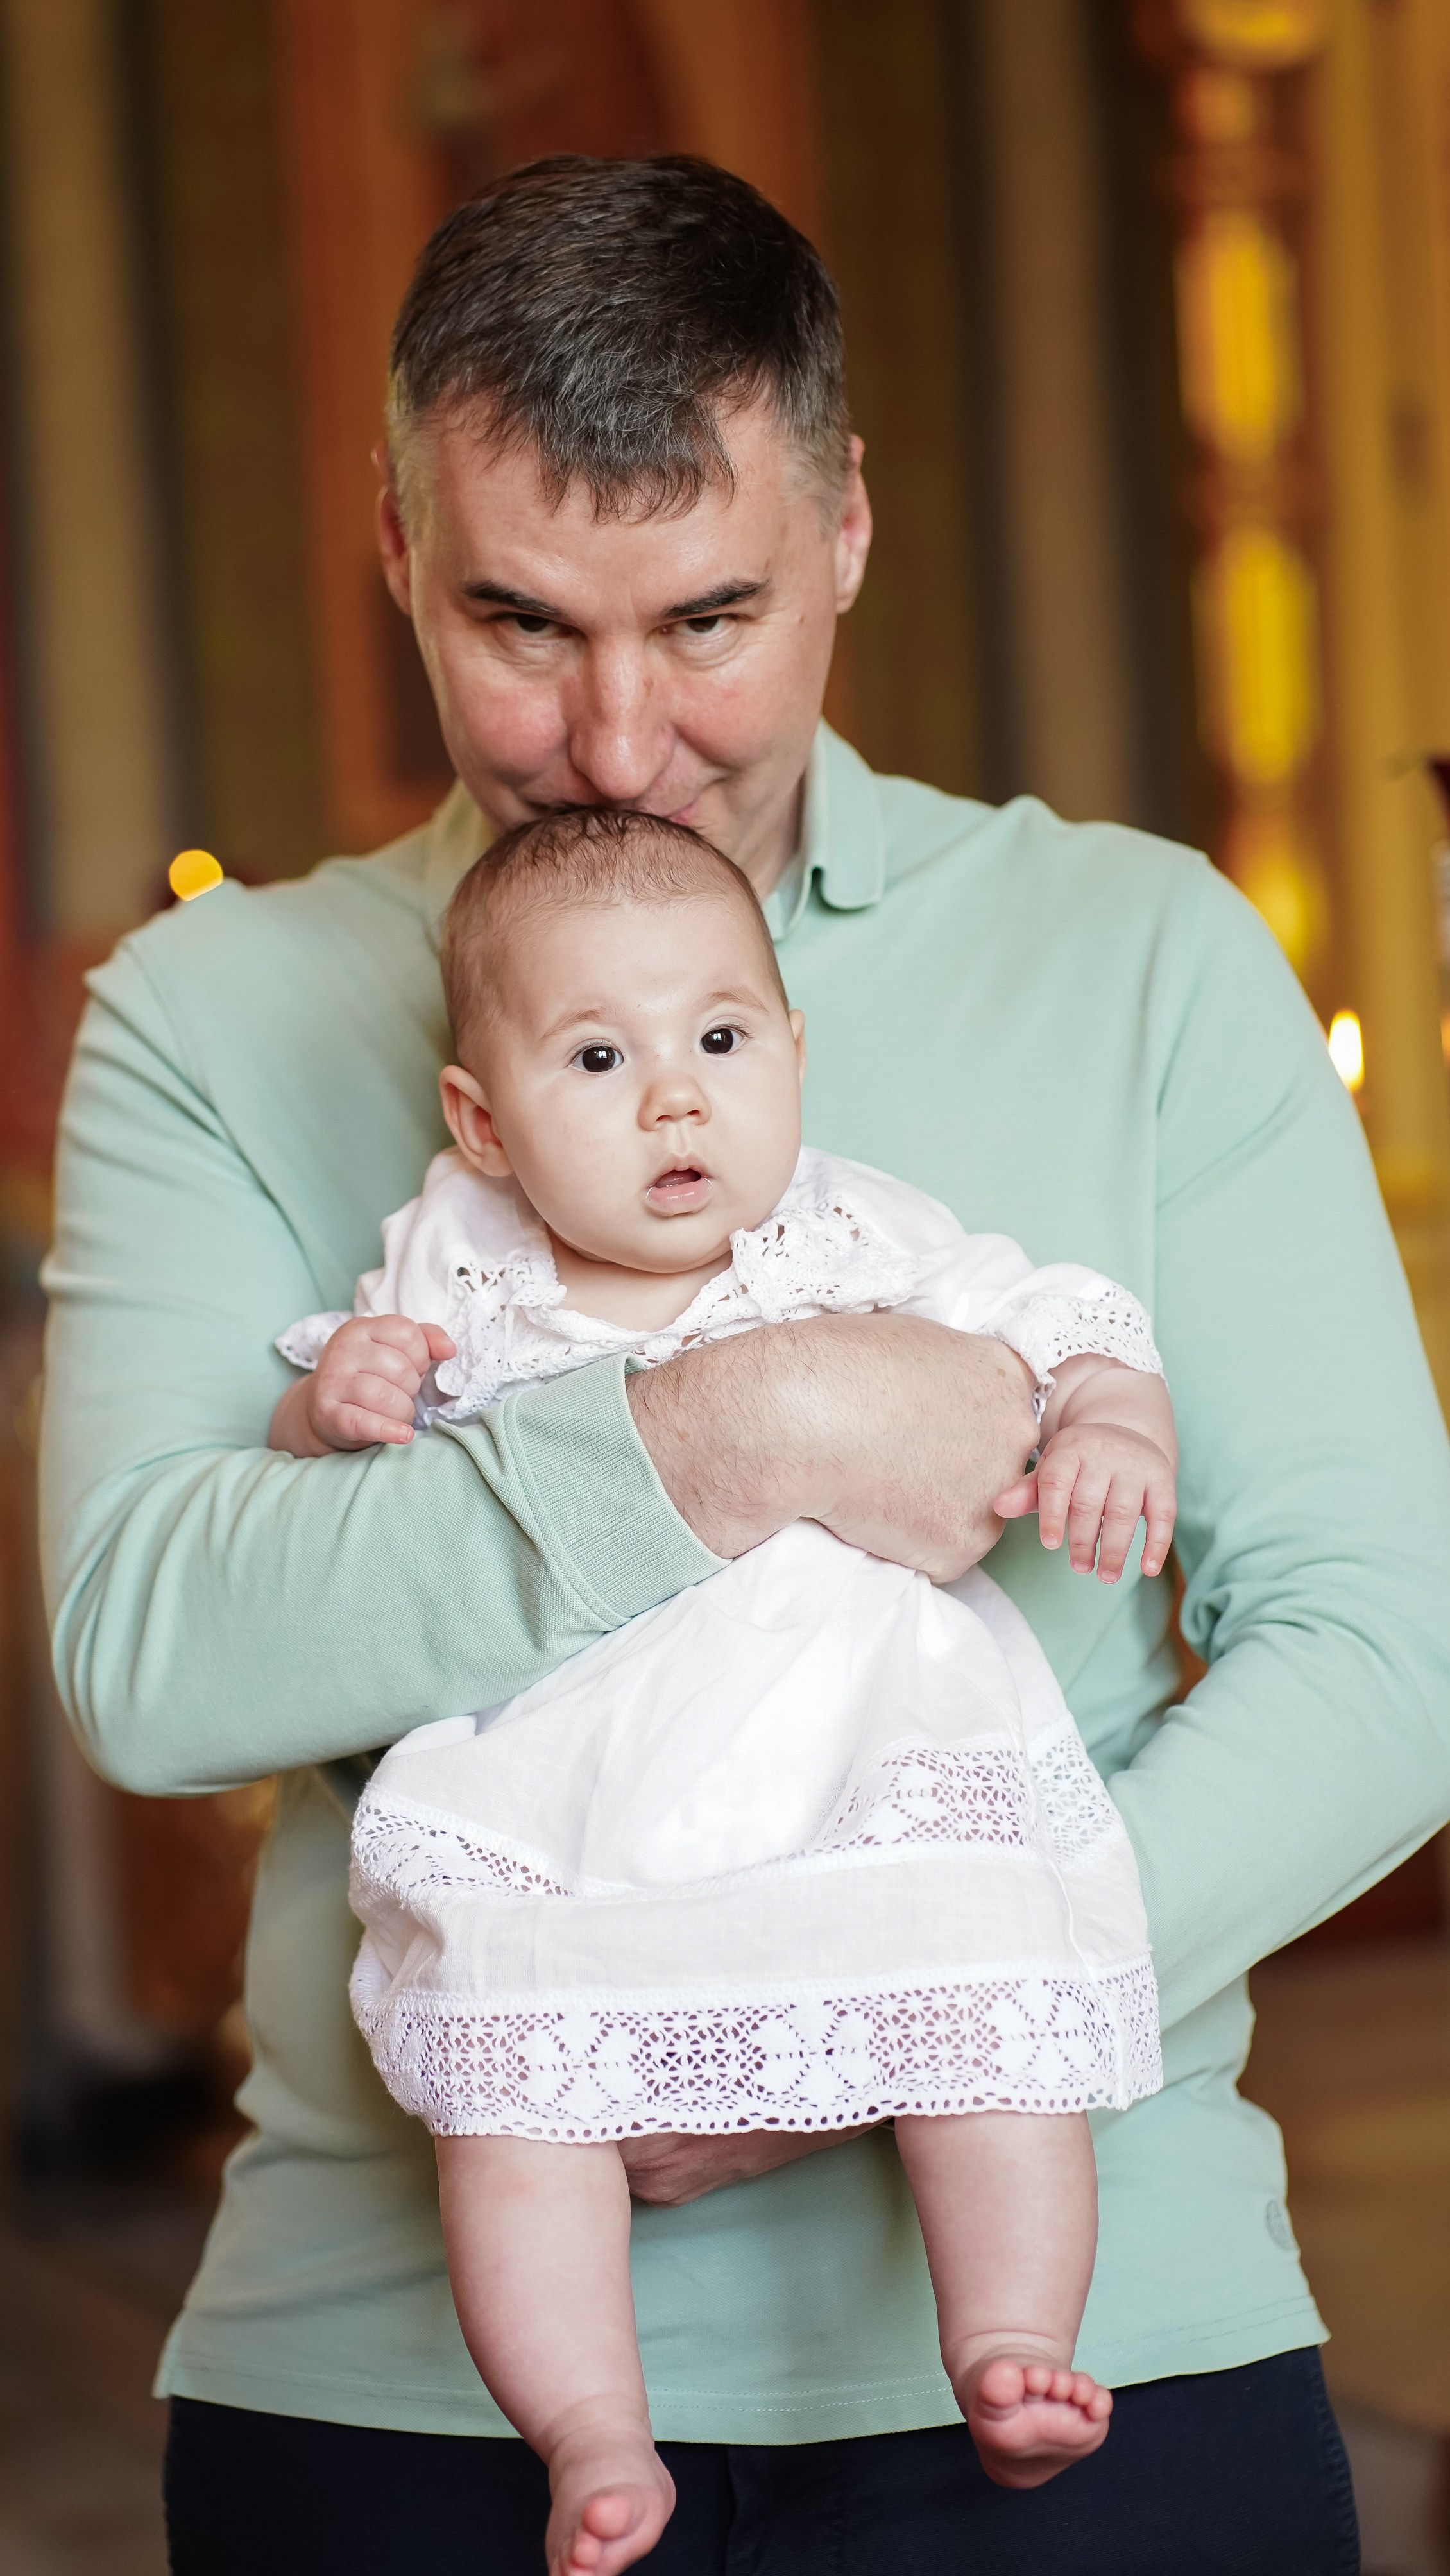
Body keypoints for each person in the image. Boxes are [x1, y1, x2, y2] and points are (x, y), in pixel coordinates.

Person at [39, 153, 1450, 2573]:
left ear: (847, 530)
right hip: (399, 2392)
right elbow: (151, 1660)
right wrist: (730, 1433)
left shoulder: (1141, 950)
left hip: (1100, 2349)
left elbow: (1387, 1656)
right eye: (517, 621)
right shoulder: (210, 1012)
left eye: (707, 618)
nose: (614, 739)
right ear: (394, 547)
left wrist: (846, 2007)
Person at [269, 804, 1176, 2571]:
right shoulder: (464, 1259)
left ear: (794, 1054)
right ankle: (589, 2426)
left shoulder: (851, 1232)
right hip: (572, 1770)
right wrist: (338, 1400)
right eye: (599, 1058)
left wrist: (1110, 1421)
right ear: (483, 1120)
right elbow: (343, 1484)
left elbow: (1062, 1319)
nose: (675, 1100)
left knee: (984, 2000)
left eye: (720, 1040)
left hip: (858, 1744)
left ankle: (1009, 2339)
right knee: (512, 2084)